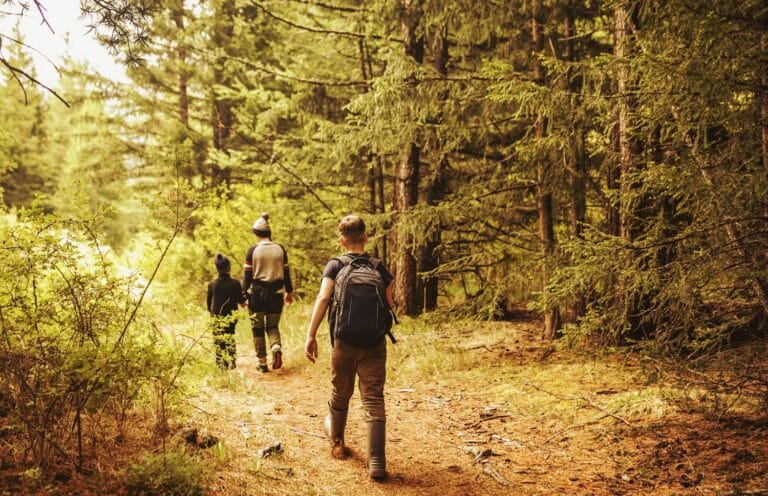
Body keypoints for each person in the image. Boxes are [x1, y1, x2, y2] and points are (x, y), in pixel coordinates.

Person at [304, 215, 395, 481]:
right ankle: (376, 461)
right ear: (365, 237)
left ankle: (337, 442)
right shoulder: (378, 267)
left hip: (343, 342)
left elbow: (323, 298)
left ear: (342, 240)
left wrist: (311, 335)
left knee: (340, 392)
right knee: (374, 399)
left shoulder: (334, 265)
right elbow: (391, 304)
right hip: (374, 345)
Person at [242, 213, 295, 373]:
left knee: (257, 329)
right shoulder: (280, 249)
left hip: (257, 296)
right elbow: (286, 273)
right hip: (277, 294)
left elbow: (247, 276)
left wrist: (243, 295)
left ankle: (263, 363)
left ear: (256, 233)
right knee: (272, 326)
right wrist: (289, 292)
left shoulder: (252, 251)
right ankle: (276, 347)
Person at [206, 253, 246, 370]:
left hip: (216, 317)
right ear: (229, 268)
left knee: (218, 340)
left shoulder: (212, 284)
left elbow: (209, 304)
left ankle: (221, 363)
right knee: (230, 336)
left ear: (216, 268)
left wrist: (212, 313)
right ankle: (232, 360)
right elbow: (241, 300)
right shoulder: (236, 283)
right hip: (231, 316)